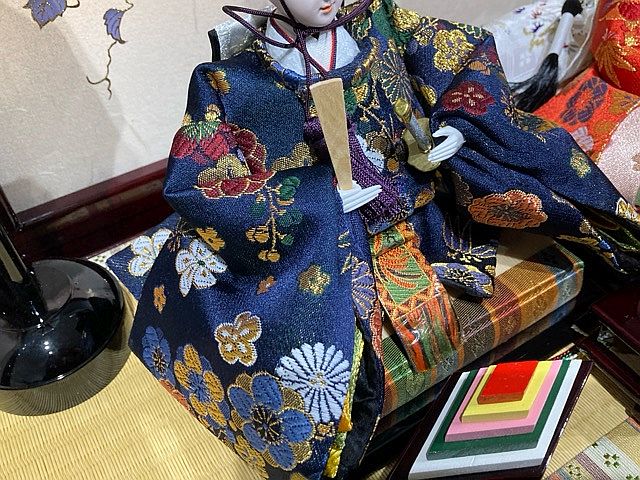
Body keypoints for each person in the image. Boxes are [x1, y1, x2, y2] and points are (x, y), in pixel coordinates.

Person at [126, 1, 640, 479]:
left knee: (542, 185)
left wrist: (456, 124)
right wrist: (316, 197)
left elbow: (461, 56)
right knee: (260, 325)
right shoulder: (229, 82)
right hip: (322, 239)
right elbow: (200, 182)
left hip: (419, 204)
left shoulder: (378, 19)